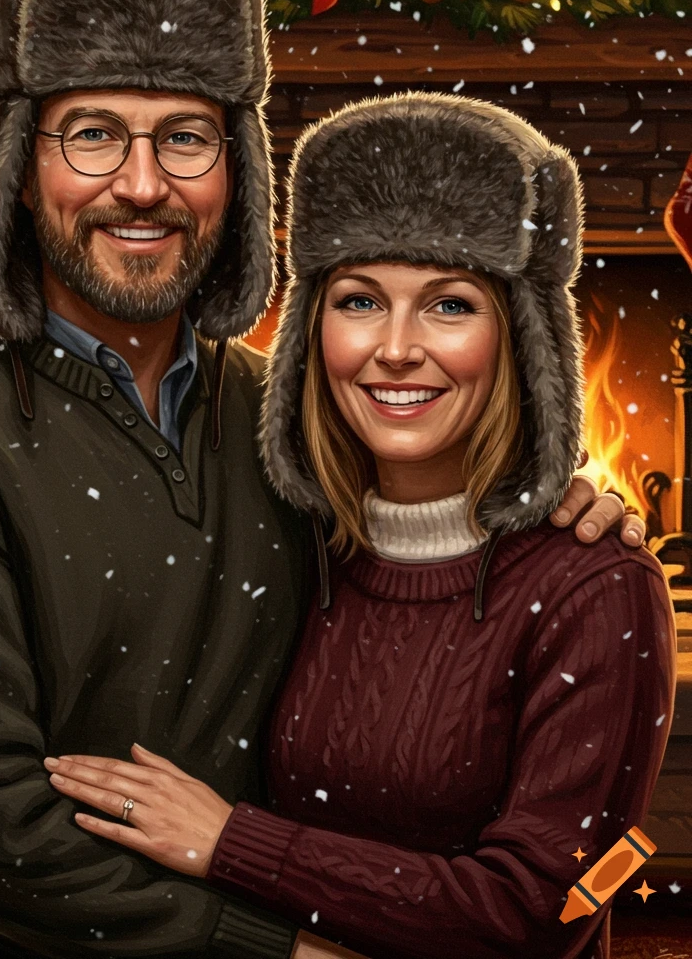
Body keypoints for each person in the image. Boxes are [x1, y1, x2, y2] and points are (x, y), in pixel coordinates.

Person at [0, 0, 638, 959]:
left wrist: (554, 507)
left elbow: (427, 571)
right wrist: (273, 948)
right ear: (19, 170)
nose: (143, 183)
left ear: (234, 171)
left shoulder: (290, 422)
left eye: (185, 137)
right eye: (93, 132)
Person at [42, 93, 676, 959]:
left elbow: (542, 911)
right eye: (359, 301)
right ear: (313, 332)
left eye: (451, 305)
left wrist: (234, 842)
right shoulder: (300, 542)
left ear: (518, 339)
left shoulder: (595, 582)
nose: (397, 348)